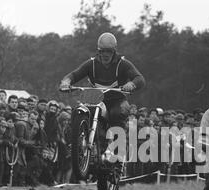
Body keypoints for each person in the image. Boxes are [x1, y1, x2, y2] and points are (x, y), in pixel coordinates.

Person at [59, 32, 146, 176]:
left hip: (117, 100)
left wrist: (131, 84)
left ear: (114, 51)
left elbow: (140, 78)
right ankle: (78, 143)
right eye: (102, 51)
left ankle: (117, 158)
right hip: (95, 99)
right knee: (78, 111)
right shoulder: (91, 64)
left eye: (109, 51)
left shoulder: (123, 64)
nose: (105, 54)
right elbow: (74, 74)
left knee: (117, 114)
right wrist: (66, 82)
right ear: (98, 51)